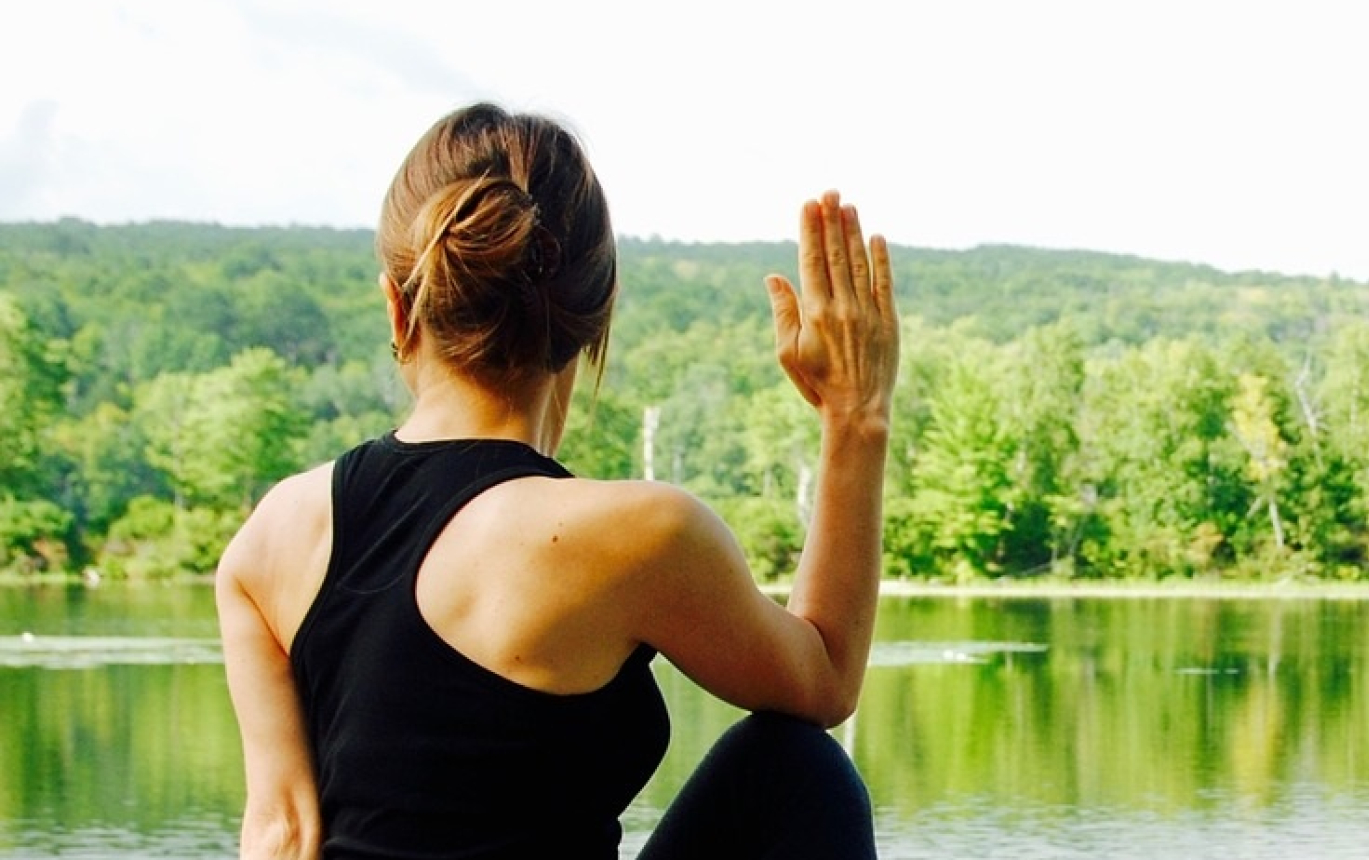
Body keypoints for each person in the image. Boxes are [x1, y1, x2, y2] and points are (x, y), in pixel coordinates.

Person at [216, 101, 899, 859]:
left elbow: (281, 832)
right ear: (594, 316)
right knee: (797, 769)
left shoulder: (269, 539)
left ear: (397, 306)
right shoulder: (640, 535)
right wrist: (856, 416)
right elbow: (823, 679)